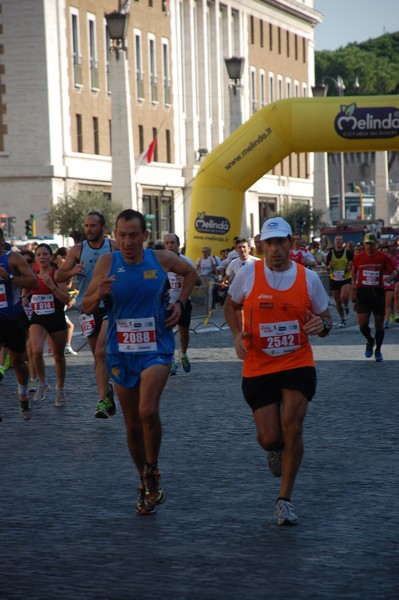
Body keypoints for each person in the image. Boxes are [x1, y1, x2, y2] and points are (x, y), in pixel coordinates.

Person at [82, 209, 198, 515]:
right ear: (115, 236)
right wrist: (100, 294)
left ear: (144, 236)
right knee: (132, 423)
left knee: (148, 409)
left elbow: (191, 273)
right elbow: (86, 304)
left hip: (156, 347)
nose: (128, 241)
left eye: (134, 235)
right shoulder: (109, 262)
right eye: (122, 235)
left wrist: (180, 303)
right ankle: (144, 481)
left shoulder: (159, 259)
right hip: (121, 351)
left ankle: (154, 468)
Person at [223, 216, 332, 526]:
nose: (274, 249)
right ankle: (277, 449)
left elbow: (326, 320)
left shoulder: (308, 277)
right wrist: (235, 334)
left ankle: (284, 500)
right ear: (262, 245)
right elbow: (230, 306)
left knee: (292, 423)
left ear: (291, 243)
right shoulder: (248, 273)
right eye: (269, 243)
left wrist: (321, 325)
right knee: (271, 437)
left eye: (280, 242)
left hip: (297, 361)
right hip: (258, 363)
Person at [55, 211, 118, 418]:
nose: (89, 229)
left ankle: (101, 399)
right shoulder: (78, 249)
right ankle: (106, 393)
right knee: (97, 357)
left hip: (111, 305)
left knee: (101, 352)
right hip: (87, 308)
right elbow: (58, 275)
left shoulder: (114, 247)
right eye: (86, 226)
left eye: (93, 226)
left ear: (103, 228)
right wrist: (72, 272)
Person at [22, 243, 71, 406]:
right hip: (38, 318)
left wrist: (52, 286)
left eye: (45, 254)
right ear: (35, 258)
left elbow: (67, 300)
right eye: (39, 255)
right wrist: (25, 296)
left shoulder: (57, 275)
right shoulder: (33, 274)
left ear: (51, 257)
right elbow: (27, 289)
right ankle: (42, 383)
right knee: (35, 351)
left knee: (58, 356)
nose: (42, 257)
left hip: (56, 317)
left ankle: (60, 389)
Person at [0, 227, 37, 419]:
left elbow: (33, 282)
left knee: (17, 362)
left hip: (12, 317)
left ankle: (23, 395)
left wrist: (10, 278)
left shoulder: (12, 259)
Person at [351, 233, 397, 362]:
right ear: (364, 244)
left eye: (371, 243)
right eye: (367, 243)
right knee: (363, 324)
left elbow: (394, 271)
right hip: (363, 293)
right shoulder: (358, 257)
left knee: (379, 325)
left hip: (377, 293)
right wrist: (353, 283)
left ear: (375, 244)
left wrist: (391, 278)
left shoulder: (382, 257)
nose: (369, 246)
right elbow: (353, 270)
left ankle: (378, 350)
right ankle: (370, 341)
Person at [163, 233, 201, 376]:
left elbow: (198, 281)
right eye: (167, 243)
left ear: (178, 245)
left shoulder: (186, 261)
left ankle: (183, 354)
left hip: (183, 301)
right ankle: (171, 360)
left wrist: (186, 276)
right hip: (166, 302)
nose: (169, 245)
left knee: (183, 331)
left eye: (172, 243)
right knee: (166, 331)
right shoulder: (160, 261)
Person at [325, 235, 353, 328]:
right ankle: (342, 318)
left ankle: (346, 306)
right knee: (337, 301)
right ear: (334, 242)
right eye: (337, 239)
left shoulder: (348, 252)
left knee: (344, 296)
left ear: (343, 242)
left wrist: (350, 267)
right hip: (334, 278)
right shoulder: (330, 253)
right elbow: (327, 268)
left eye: (340, 239)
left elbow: (353, 264)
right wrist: (330, 267)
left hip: (345, 278)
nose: (338, 241)